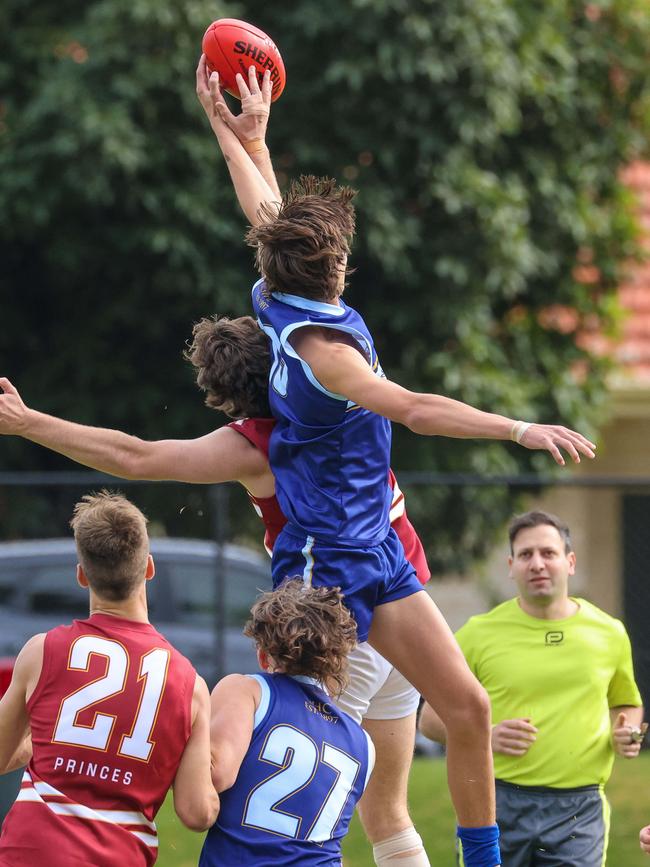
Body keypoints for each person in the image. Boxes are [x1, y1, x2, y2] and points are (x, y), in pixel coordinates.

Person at [195, 57, 598, 866]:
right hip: (328, 566)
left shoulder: (276, 295)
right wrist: (517, 427)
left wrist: (240, 138)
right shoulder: (329, 352)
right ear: (337, 265)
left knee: (469, 709)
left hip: (377, 552)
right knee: (309, 750)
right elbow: (415, 409)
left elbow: (265, 213)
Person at [0, 318, 432, 866]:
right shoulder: (351, 400)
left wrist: (26, 421)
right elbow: (308, 286)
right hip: (407, 605)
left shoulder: (259, 447)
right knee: (389, 816)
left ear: (225, 399)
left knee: (286, 829)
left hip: (338, 629)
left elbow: (136, 457)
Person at [0, 491, 219, 866]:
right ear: (148, 568)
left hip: (32, 849)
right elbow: (195, 813)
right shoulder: (189, 684)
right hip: (119, 855)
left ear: (81, 575)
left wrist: (46, 742)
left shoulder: (41, 651)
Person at [418, 509, 644, 867]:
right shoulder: (478, 633)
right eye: (526, 555)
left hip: (579, 809)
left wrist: (628, 731)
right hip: (494, 802)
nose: (537, 564)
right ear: (511, 565)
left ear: (570, 562)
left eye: (548, 553)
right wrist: (485, 736)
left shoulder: (609, 632)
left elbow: (626, 704)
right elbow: (429, 720)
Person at [202, 578, 375, 865]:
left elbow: (215, 774)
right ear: (336, 658)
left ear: (262, 654)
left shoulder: (247, 691)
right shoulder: (363, 743)